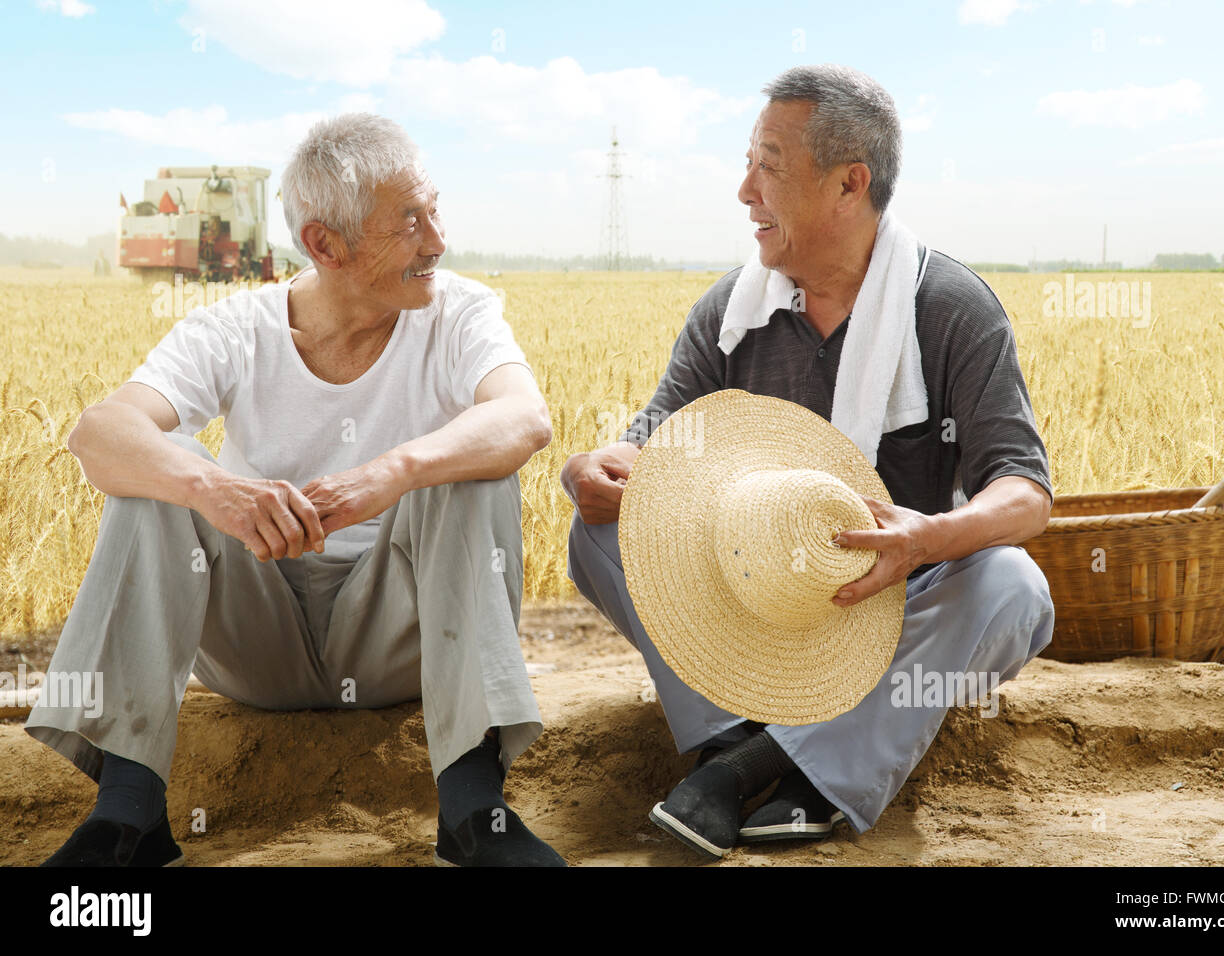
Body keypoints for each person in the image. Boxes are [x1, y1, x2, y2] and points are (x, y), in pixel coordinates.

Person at [29, 113, 565, 867]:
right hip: (258, 642)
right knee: (160, 463)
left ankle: (473, 809)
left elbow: (523, 418)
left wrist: (391, 472)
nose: (438, 239)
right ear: (324, 244)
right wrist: (218, 490)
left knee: (470, 468)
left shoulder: (461, 311)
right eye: (408, 221)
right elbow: (97, 435)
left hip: (397, 637)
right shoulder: (236, 328)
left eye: (434, 208)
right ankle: (127, 814)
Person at [562, 64, 1056, 859]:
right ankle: (735, 738)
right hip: (750, 584)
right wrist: (594, 466)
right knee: (597, 535)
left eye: (768, 165)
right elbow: (656, 432)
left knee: (1013, 587)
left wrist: (923, 541)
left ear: (849, 184)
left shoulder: (953, 308)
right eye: (748, 162)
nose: (744, 191)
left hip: (898, 594)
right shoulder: (732, 310)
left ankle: (756, 769)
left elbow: (1025, 494)